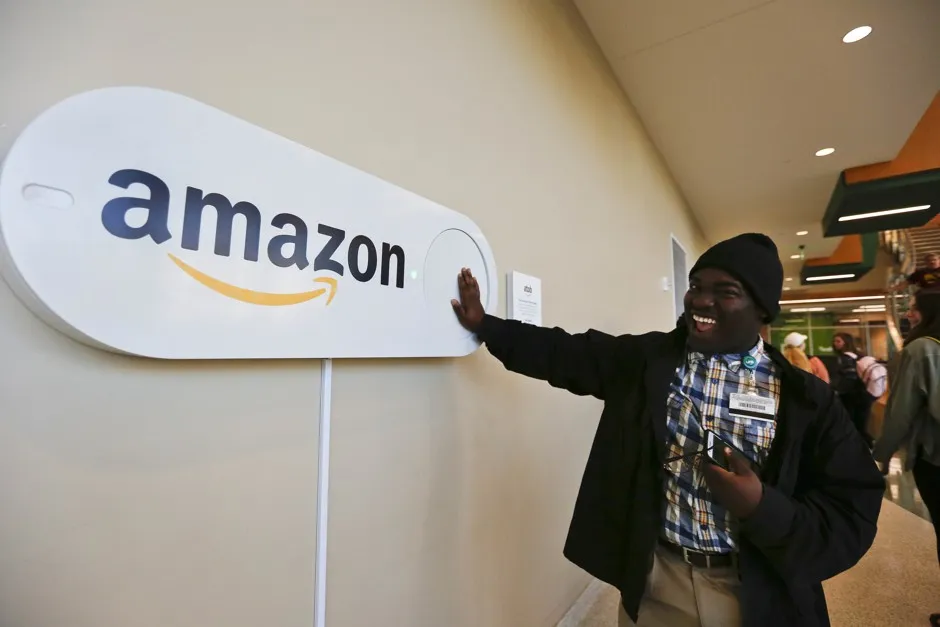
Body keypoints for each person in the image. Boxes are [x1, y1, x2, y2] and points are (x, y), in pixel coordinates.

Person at [450, 233, 883, 627]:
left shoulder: (807, 400)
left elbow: (852, 509)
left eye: (724, 292)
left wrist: (761, 507)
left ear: (762, 309)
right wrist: (488, 326)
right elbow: (566, 353)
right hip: (660, 583)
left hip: (760, 595)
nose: (700, 301)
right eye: (696, 286)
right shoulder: (649, 361)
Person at [873, 292, 940, 626]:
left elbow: (900, 413)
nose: (909, 314)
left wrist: (880, 455)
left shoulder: (921, 349)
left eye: (914, 308)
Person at [831, 333, 874, 447]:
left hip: (849, 396)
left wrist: (837, 391)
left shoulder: (844, 359)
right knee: (861, 423)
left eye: (838, 341)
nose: (835, 344)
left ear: (846, 342)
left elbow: (848, 378)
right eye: (835, 341)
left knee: (849, 422)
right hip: (864, 394)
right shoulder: (860, 356)